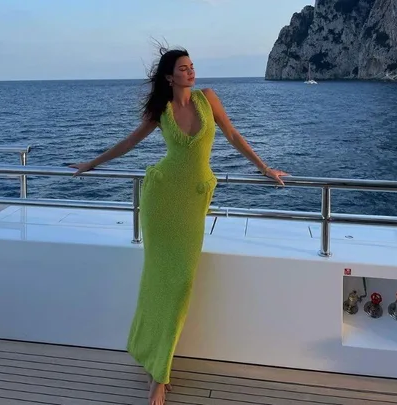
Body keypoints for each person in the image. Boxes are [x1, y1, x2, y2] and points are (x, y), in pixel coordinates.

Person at [69, 46, 288, 405]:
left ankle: (154, 359)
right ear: (170, 77)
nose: (191, 72)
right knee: (159, 280)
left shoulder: (207, 99)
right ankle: (159, 374)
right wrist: (90, 163)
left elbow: (232, 135)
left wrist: (265, 168)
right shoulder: (163, 110)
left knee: (181, 282)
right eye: (183, 69)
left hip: (192, 202)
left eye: (192, 66)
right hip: (161, 200)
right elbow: (129, 142)